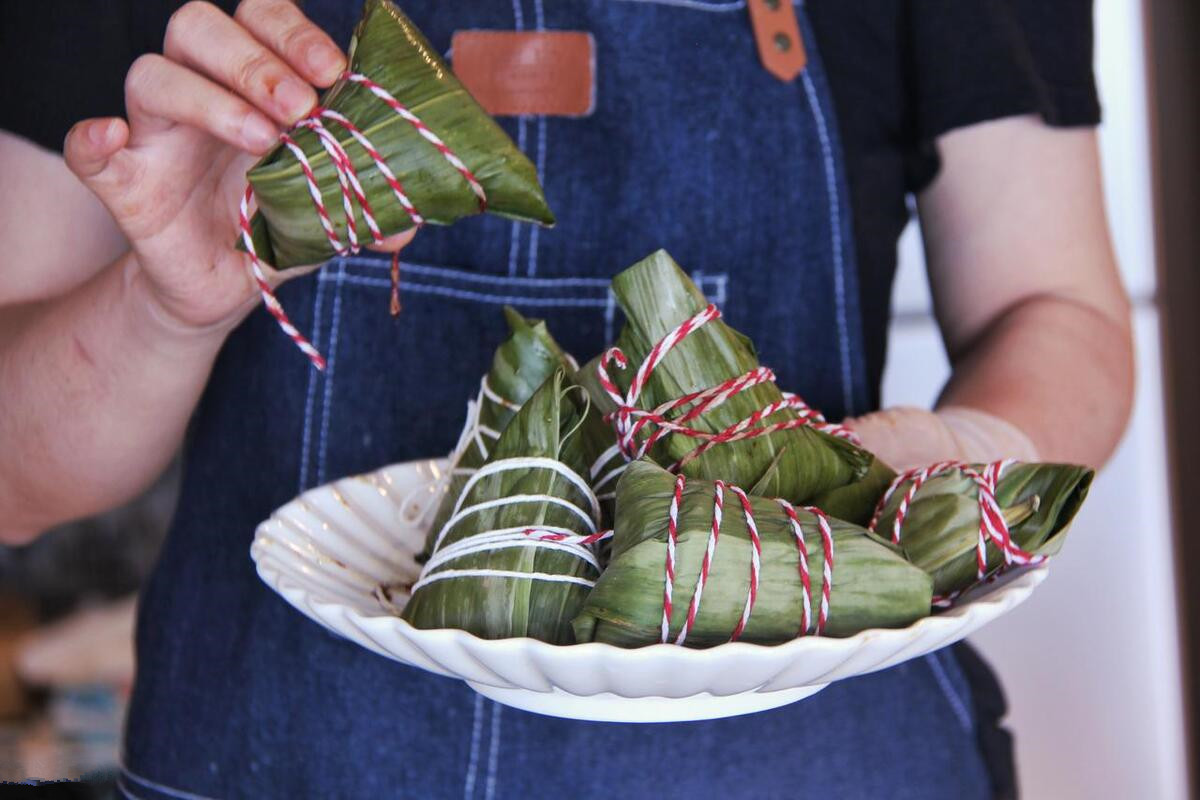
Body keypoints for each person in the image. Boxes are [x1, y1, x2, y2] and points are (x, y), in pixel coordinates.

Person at [0, 0, 1132, 797]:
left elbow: (1055, 308)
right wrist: (165, 308)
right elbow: (17, 479)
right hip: (276, 753)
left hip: (811, 759)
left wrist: (924, 460)